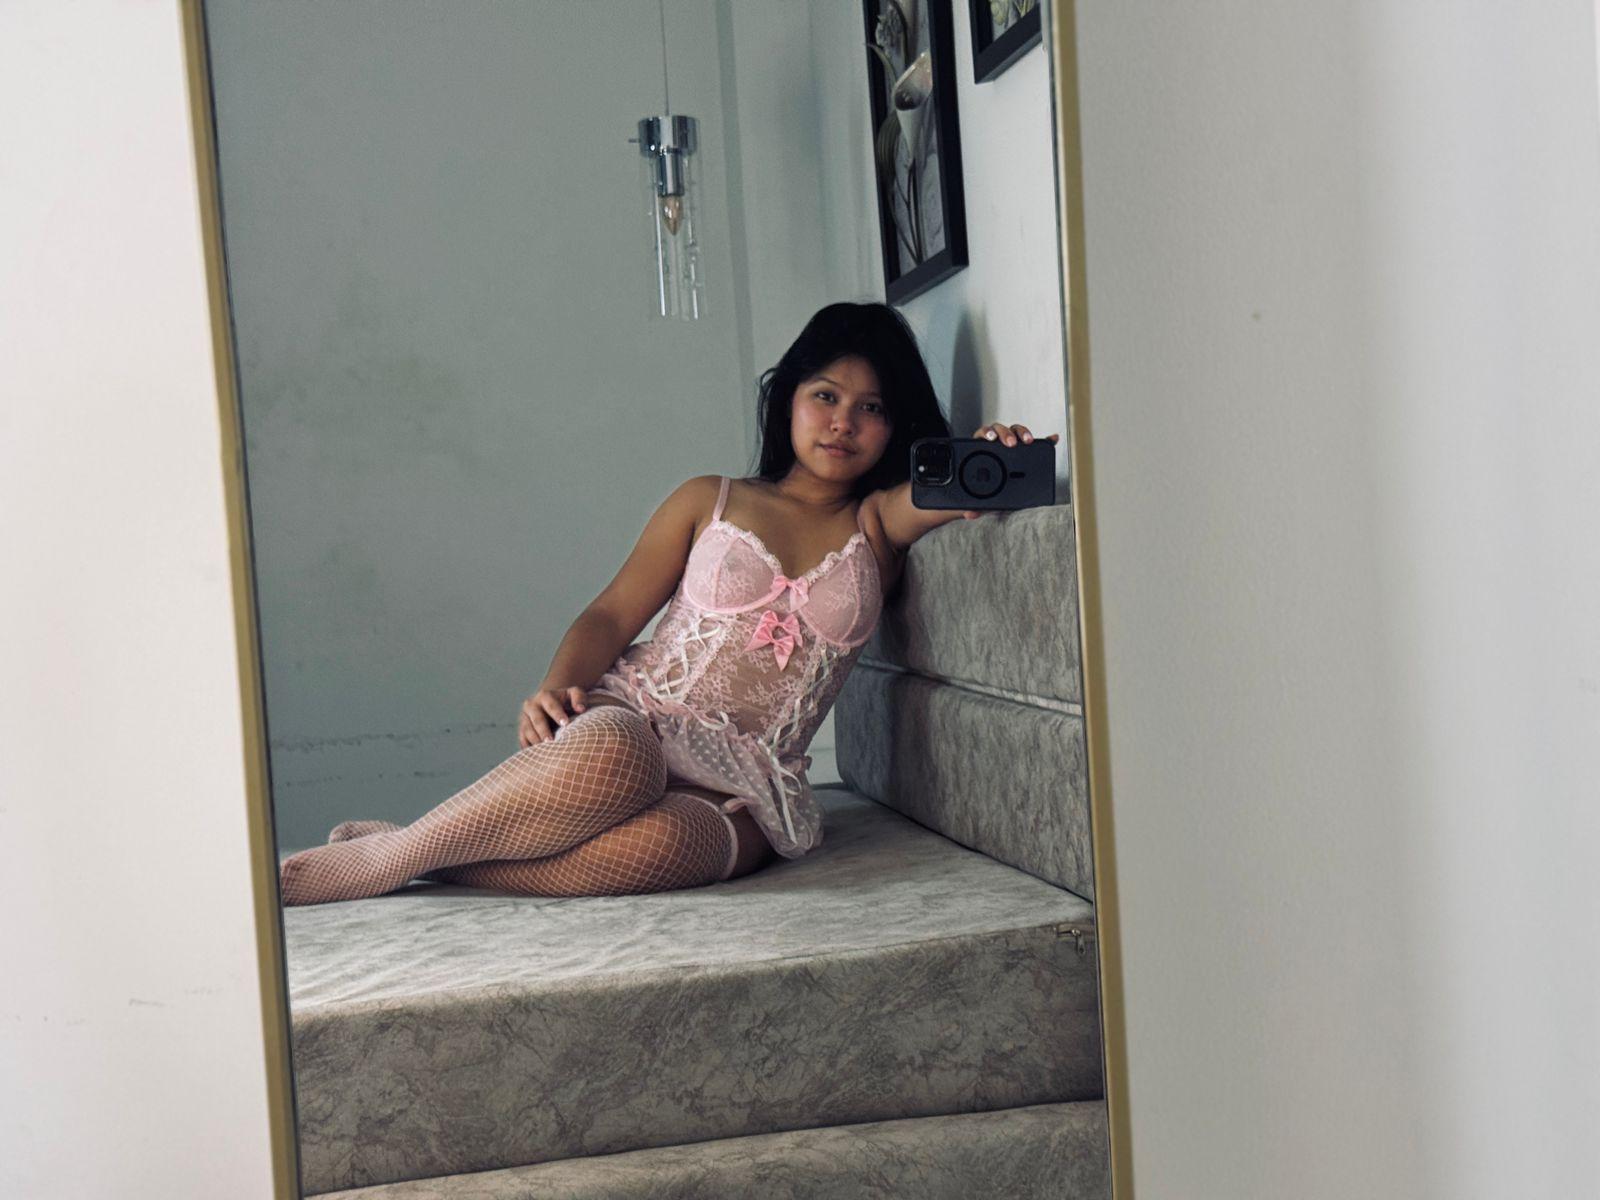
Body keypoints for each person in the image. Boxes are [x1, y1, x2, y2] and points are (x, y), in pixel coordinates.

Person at [277, 301, 1060, 905]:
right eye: (825, 395)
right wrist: (556, 688)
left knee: (668, 852)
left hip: (745, 782)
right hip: (639, 722)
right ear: (789, 398)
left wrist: (991, 455)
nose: (842, 422)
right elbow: (611, 614)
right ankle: (385, 860)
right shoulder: (709, 498)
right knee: (619, 754)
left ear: (895, 427)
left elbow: (946, 499)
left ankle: (419, 857)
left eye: (872, 408)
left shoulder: (876, 526)